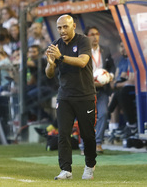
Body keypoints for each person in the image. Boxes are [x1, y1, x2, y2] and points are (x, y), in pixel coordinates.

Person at [45, 15, 97, 180]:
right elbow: (49, 73)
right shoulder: (55, 45)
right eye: (59, 28)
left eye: (65, 27)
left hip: (85, 95)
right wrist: (50, 63)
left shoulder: (83, 41)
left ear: (73, 26)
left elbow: (82, 62)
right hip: (65, 96)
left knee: (87, 135)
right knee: (63, 134)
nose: (62, 31)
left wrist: (60, 57)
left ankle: (89, 165)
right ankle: (65, 170)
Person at [84, 26, 115, 154]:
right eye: (92, 34)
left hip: (102, 89)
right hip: (86, 89)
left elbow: (112, 66)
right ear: (86, 36)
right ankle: (85, 146)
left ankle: (98, 143)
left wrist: (110, 77)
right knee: (86, 117)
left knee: (103, 113)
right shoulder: (82, 51)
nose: (95, 37)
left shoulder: (105, 50)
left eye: (97, 34)